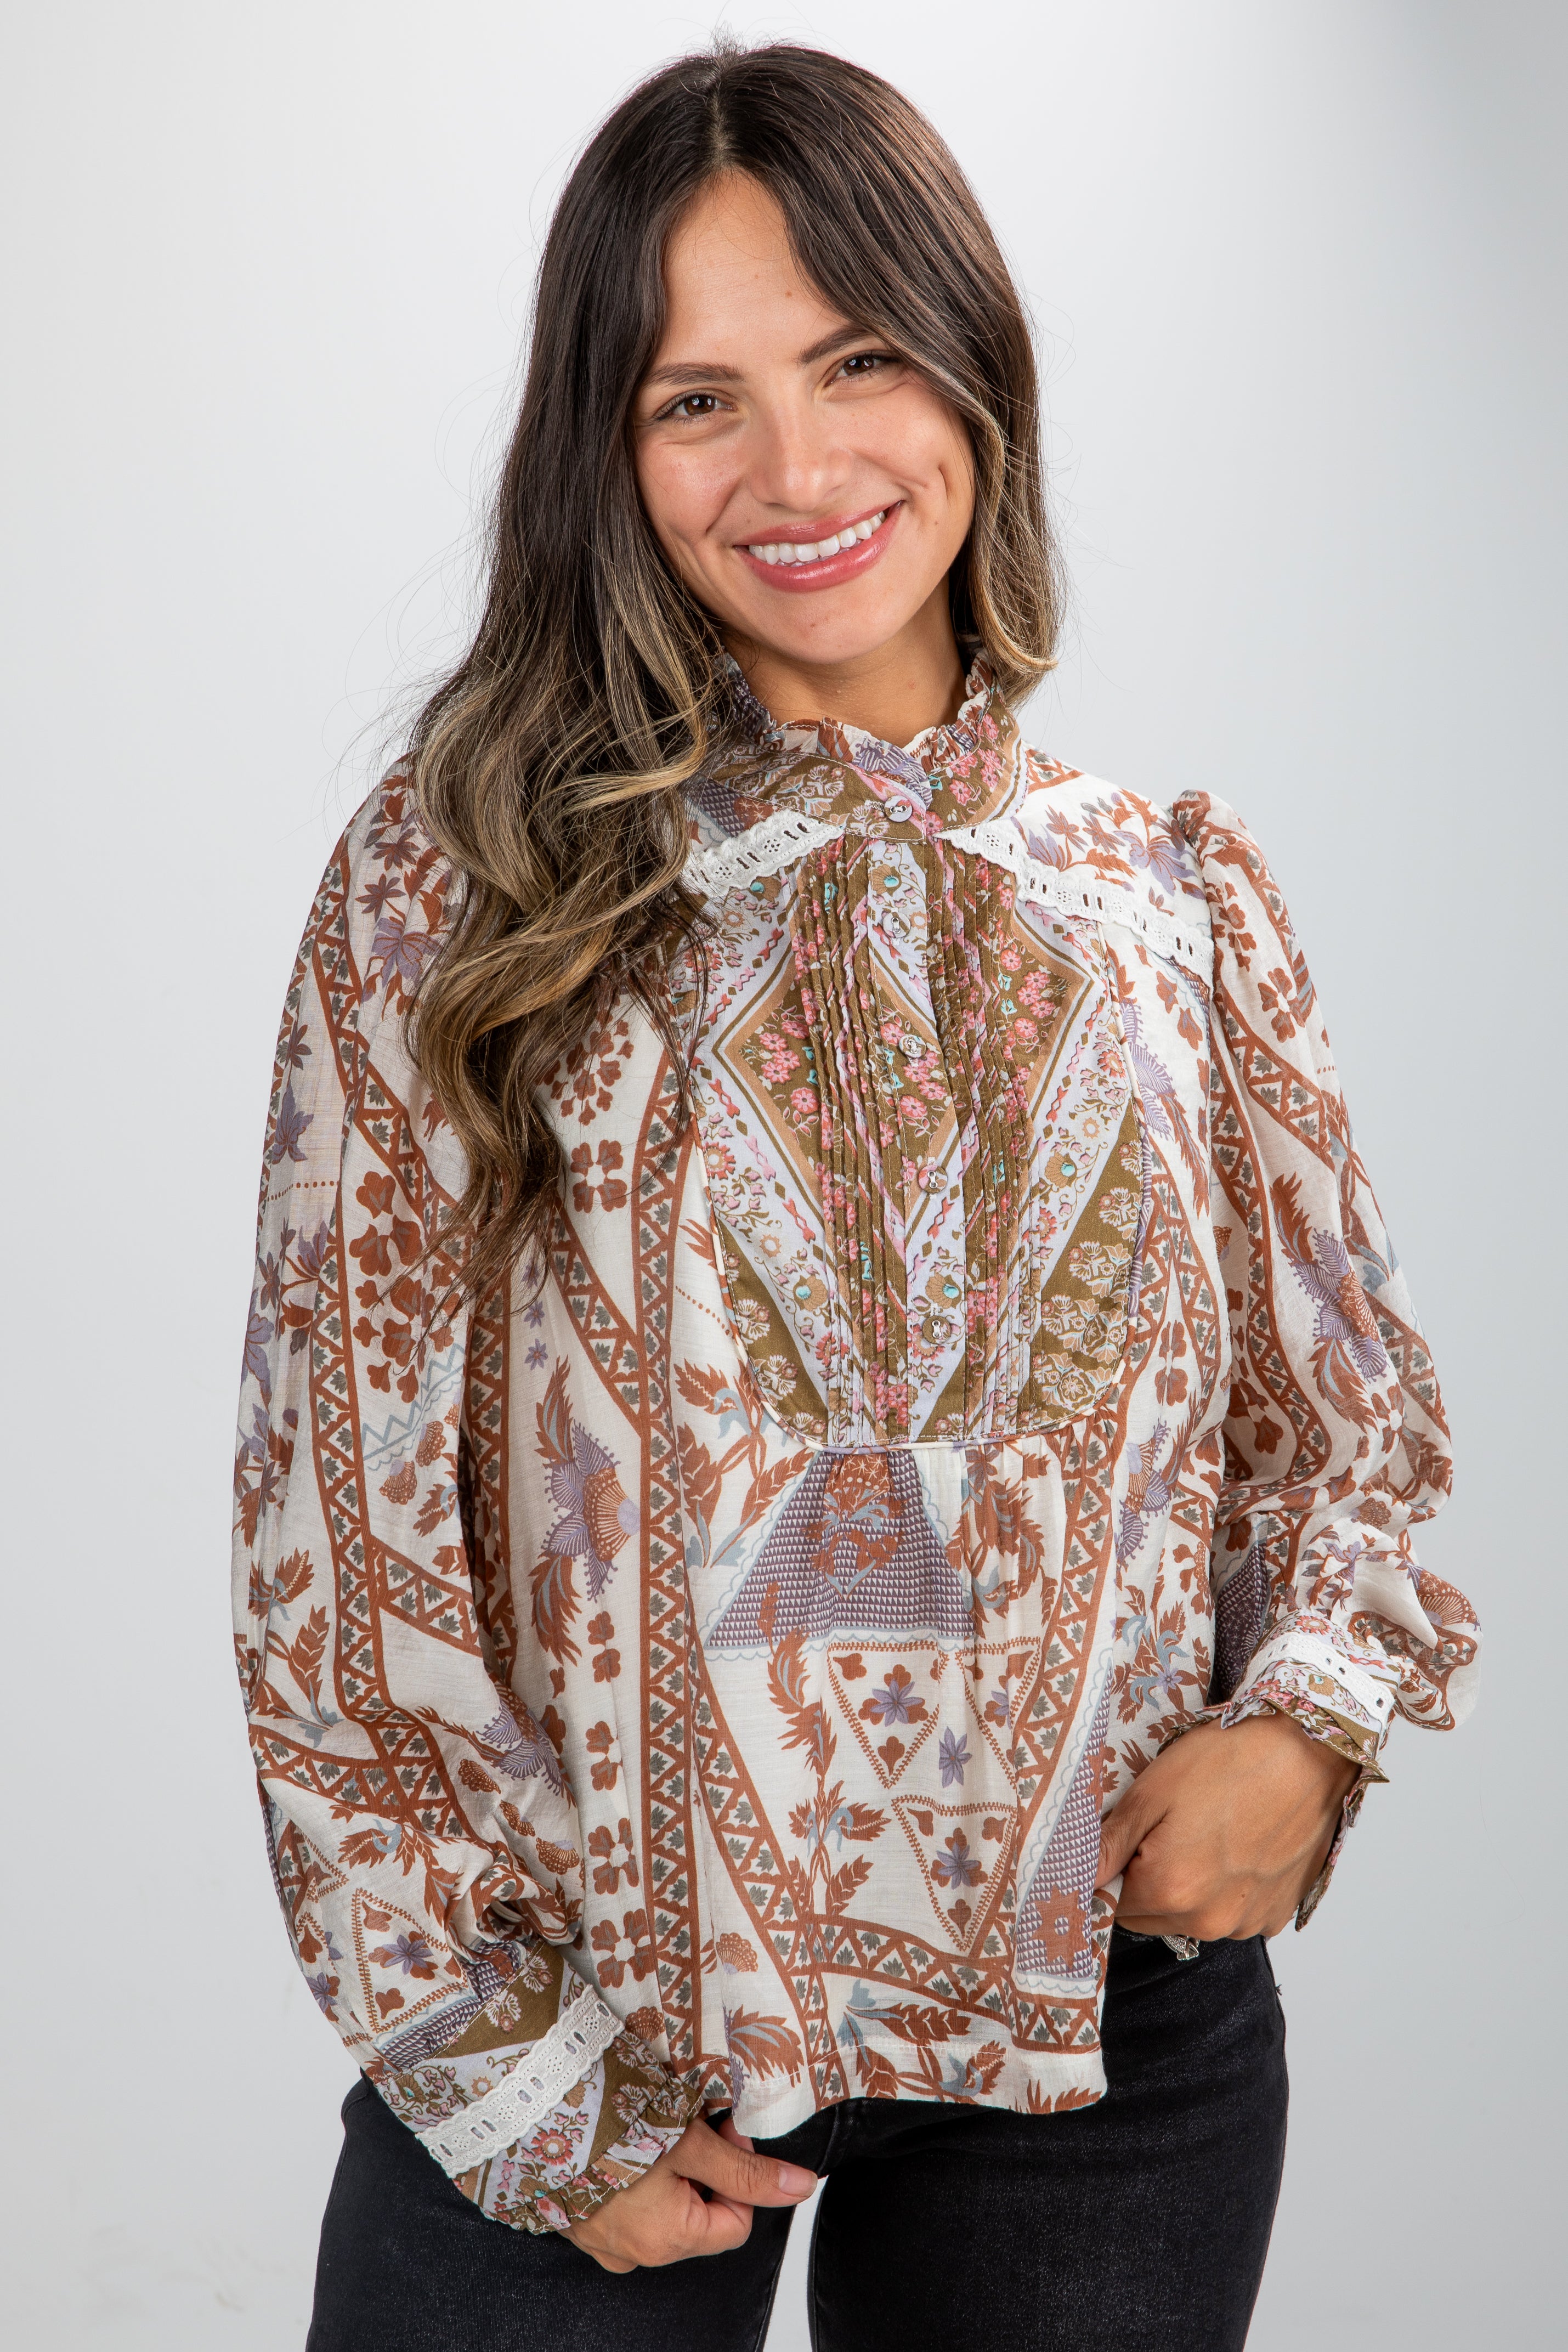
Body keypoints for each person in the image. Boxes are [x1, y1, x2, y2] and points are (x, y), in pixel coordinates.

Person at [232, 40, 1480, 2352]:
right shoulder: (465, 879)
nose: (795, 468)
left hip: (1109, 2044)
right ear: (601, 449)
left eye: (856, 357)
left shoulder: (1169, 894)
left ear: (973, 373)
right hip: (599, 2028)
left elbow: (1348, 1430)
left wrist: (1301, 1725)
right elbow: (341, 1529)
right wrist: (512, 2077)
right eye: (692, 398)